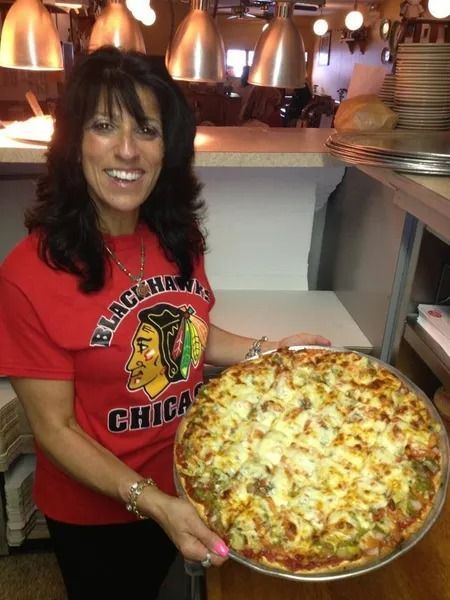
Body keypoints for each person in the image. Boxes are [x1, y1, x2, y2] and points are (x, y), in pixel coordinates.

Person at [0, 46, 330, 599]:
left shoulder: (178, 238)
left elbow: (190, 338)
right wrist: (153, 503)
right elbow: (54, 432)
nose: (126, 149)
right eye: (104, 125)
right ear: (74, 142)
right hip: (97, 508)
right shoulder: (29, 272)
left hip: (188, 475)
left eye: (147, 129)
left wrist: (270, 351)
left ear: (166, 148)